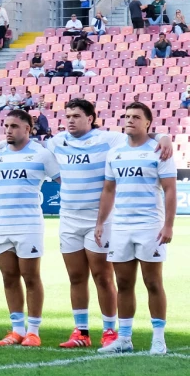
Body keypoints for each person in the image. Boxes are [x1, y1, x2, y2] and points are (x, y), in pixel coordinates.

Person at [47, 99, 171, 349]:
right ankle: (81, 331)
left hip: (104, 218)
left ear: (90, 118)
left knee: (104, 276)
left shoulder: (110, 140)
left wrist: (164, 136)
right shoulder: (55, 142)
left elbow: (137, 132)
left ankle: (111, 331)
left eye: (76, 115)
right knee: (76, 276)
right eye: (67, 115)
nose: (70, 120)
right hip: (69, 217)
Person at [0, 110, 61, 347]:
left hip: (29, 225)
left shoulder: (42, 155)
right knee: (9, 277)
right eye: (6, 125)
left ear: (27, 129)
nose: (9, 130)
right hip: (2, 225)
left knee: (31, 277)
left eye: (14, 126)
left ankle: (33, 331)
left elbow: (64, 180)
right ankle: (16, 330)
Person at [95, 102, 176, 355]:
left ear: (147, 123)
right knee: (124, 282)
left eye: (136, 117)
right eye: (127, 116)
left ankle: (158, 339)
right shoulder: (115, 153)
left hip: (149, 225)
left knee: (152, 282)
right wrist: (100, 222)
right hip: (120, 226)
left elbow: (170, 189)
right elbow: (109, 190)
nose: (129, 120)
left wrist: (168, 225)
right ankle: (125, 338)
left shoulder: (159, 150)